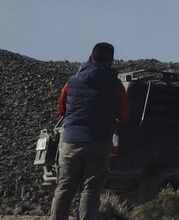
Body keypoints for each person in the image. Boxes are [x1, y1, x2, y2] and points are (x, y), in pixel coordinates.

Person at [50, 42, 130, 220]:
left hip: (71, 141)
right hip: (99, 142)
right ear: (111, 60)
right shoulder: (116, 85)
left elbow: (62, 110)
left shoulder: (71, 82)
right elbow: (124, 114)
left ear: (90, 56)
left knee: (64, 187)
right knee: (91, 190)